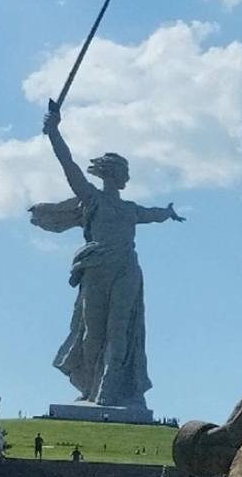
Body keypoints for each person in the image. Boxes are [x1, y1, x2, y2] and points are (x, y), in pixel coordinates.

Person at [30, 100, 184, 410]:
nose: (125, 177)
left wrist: (167, 213)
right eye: (122, 172)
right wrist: (54, 132)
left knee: (119, 330)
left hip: (126, 269)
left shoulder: (129, 209)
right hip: (97, 267)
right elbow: (69, 166)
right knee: (92, 333)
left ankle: (108, 392)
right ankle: (90, 386)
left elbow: (151, 214)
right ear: (111, 174)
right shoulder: (93, 199)